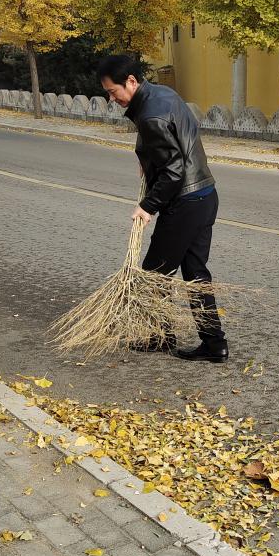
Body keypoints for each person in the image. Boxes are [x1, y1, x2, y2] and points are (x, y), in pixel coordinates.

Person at [98, 54, 228, 363]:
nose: (111, 99)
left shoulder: (150, 115)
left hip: (184, 202)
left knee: (153, 274)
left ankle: (160, 337)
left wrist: (148, 206)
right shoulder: (162, 94)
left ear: (131, 81)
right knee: (195, 273)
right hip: (205, 194)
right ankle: (214, 345)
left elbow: (174, 171)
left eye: (113, 91)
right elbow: (179, 141)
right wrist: (150, 160)